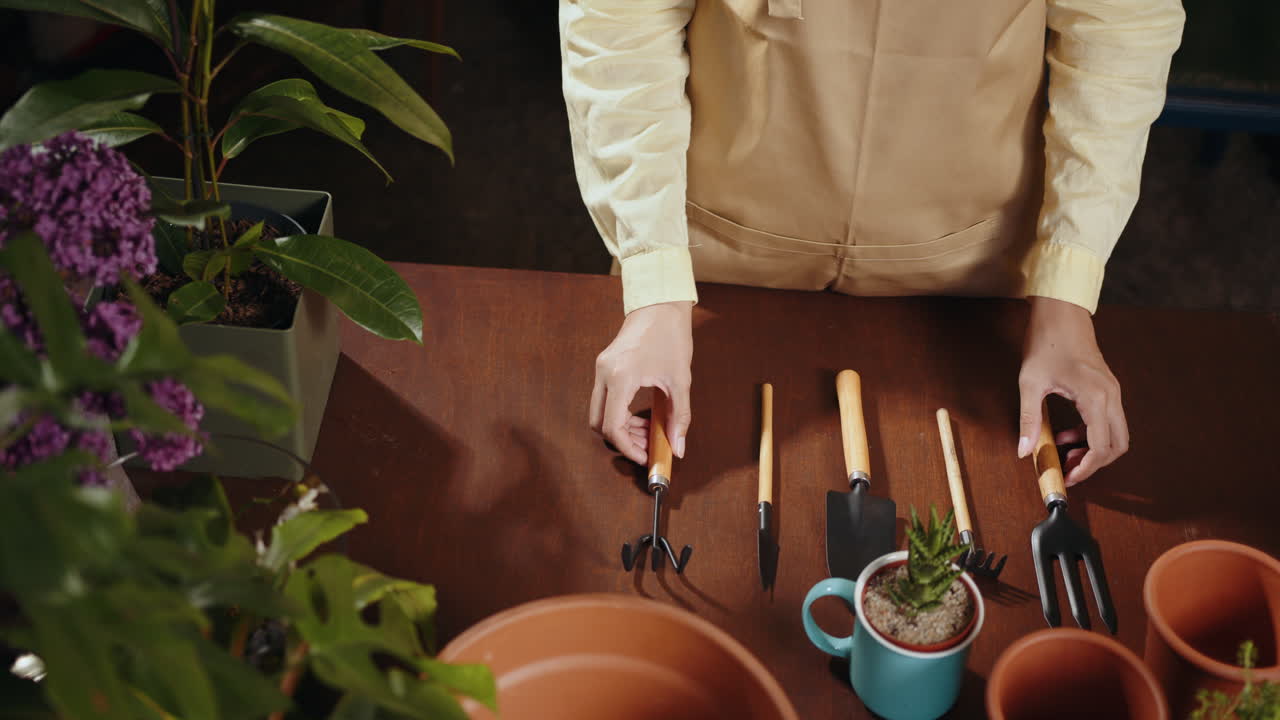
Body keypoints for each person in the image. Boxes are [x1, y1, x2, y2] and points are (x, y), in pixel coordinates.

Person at [559, 0, 1185, 486]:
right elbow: (621, 25)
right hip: (705, 245)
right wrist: (655, 288)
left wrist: (1066, 297)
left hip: (968, 265)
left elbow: (1117, 34)